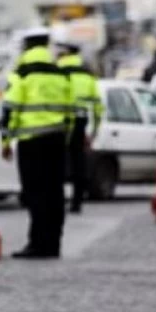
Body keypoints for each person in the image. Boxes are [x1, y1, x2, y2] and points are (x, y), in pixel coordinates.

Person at [0, 28, 73, 259]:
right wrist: (66, 138)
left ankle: (37, 244)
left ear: (27, 46)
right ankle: (54, 244)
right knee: (55, 193)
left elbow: (10, 108)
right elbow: (70, 111)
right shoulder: (60, 73)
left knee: (35, 193)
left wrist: (6, 140)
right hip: (57, 140)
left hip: (31, 142)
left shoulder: (22, 72)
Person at [57, 42, 103, 214]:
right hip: (80, 122)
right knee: (79, 163)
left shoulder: (58, 71)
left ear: (66, 53)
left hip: (60, 122)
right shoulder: (87, 76)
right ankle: (77, 202)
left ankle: (59, 200)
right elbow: (97, 106)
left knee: (58, 162)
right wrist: (94, 131)